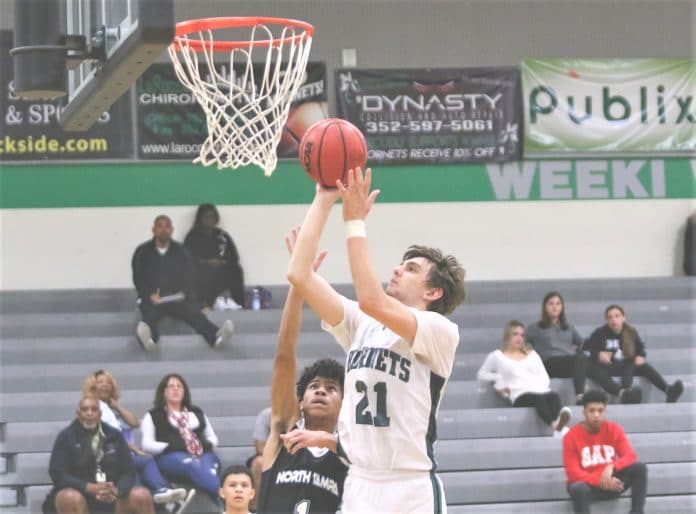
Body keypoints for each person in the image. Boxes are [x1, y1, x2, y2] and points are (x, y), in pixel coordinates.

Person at [287, 168, 466, 513]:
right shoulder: (362, 323)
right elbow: (299, 274)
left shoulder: (439, 331)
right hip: (360, 483)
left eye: (411, 268)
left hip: (410, 487)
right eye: (402, 264)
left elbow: (370, 298)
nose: (398, 269)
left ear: (433, 291)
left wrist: (354, 222)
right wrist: (324, 197)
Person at [257, 228, 347, 513]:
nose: (321, 390)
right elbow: (284, 354)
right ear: (300, 401)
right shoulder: (285, 432)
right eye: (314, 386)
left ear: (344, 405)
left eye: (332, 388)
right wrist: (299, 283)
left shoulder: (350, 454)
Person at [82, 370, 190, 509]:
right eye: (100, 382)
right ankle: (164, 496)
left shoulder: (110, 410)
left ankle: (162, 502)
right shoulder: (93, 407)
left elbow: (134, 423)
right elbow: (105, 434)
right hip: (106, 458)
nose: (105, 385)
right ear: (92, 386)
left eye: (108, 382)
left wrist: (116, 406)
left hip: (121, 457)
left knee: (137, 480)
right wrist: (133, 449)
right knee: (146, 461)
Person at [131, 214, 234, 351]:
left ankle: (216, 337)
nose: (163, 230)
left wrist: (183, 292)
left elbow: (189, 275)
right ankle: (149, 340)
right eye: (160, 226)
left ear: (171, 230)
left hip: (176, 298)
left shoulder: (181, 251)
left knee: (194, 314)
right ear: (153, 230)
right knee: (149, 316)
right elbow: (138, 277)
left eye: (167, 226)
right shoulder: (143, 251)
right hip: (152, 299)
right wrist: (149, 295)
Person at [43, 395, 153, 514]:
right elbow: (58, 474)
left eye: (94, 409)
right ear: (78, 413)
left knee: (141, 495)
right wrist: (88, 487)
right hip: (80, 493)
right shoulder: (66, 437)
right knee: (69, 497)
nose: (89, 413)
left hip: (112, 496)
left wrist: (117, 490)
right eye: (85, 409)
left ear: (100, 414)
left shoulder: (115, 435)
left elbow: (129, 471)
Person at [477, 320, 573, 437]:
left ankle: (559, 424)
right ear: (507, 336)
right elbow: (482, 374)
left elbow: (544, 376)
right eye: (515, 334)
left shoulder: (532, 355)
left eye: (522, 335)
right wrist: (498, 378)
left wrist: (538, 387)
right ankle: (556, 426)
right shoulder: (497, 356)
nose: (519, 338)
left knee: (554, 396)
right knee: (539, 400)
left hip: (540, 390)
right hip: (519, 394)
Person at [140, 374, 221, 507]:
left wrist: (207, 444)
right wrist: (169, 446)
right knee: (192, 465)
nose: (175, 389)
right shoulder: (154, 415)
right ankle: (226, 498)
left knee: (211, 467)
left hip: (203, 453)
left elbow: (212, 436)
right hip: (171, 457)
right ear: (163, 392)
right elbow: (146, 444)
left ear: (184, 391)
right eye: (171, 386)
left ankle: (213, 505)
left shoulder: (197, 412)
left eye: (179, 386)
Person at [563, 390, 648, 514]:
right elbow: (573, 473)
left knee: (639, 468)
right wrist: (601, 481)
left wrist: (612, 466)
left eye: (600, 410)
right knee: (578, 487)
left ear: (605, 411)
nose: (596, 415)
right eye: (592, 411)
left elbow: (630, 456)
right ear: (584, 412)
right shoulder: (571, 436)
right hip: (589, 487)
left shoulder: (614, 429)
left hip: (612, 484)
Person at [585, 304, 683, 404]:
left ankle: (668, 390)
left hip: (627, 367)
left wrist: (641, 356)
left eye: (617, 316)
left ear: (623, 317)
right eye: (610, 317)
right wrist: (598, 354)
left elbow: (640, 349)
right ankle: (625, 393)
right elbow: (587, 349)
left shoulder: (631, 332)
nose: (614, 320)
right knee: (596, 370)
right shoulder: (600, 333)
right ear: (606, 320)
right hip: (607, 367)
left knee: (643, 366)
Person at [526, 291, 590, 405]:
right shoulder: (536, 327)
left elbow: (582, 343)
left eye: (558, 303)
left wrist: (580, 349)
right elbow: (521, 341)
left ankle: (581, 396)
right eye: (551, 303)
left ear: (562, 307)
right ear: (545, 307)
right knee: (578, 359)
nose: (555, 307)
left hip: (566, 362)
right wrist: (527, 350)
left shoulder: (568, 327)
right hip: (548, 363)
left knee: (584, 358)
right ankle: (580, 395)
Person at [184, 204, 245, 311]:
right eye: (206, 217)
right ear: (200, 219)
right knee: (203, 272)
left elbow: (235, 257)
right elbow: (186, 259)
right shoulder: (192, 237)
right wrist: (206, 262)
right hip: (202, 270)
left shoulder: (222, 235)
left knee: (236, 270)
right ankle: (204, 303)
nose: (210, 220)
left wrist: (222, 262)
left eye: (212, 217)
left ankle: (238, 303)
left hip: (221, 270)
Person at [245, 407, 270, 512]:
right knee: (259, 463)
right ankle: (254, 509)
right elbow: (260, 447)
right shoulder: (267, 414)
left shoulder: (307, 415)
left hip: (302, 457)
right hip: (274, 457)